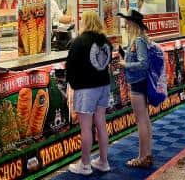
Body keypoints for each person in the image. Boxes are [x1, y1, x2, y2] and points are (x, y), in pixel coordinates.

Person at [66, 11, 112, 175]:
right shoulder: (106, 41)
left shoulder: (80, 41)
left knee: (85, 128)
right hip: (104, 86)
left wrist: (74, 84)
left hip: (86, 88)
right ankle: (103, 161)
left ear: (85, 22)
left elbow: (70, 66)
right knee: (101, 124)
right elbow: (108, 62)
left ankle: (85, 165)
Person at [117, 10, 153, 168]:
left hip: (138, 83)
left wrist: (126, 64)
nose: (125, 24)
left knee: (141, 121)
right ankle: (147, 154)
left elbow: (144, 63)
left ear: (132, 23)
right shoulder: (138, 39)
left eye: (126, 22)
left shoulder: (138, 40)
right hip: (140, 83)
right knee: (144, 119)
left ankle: (142, 157)